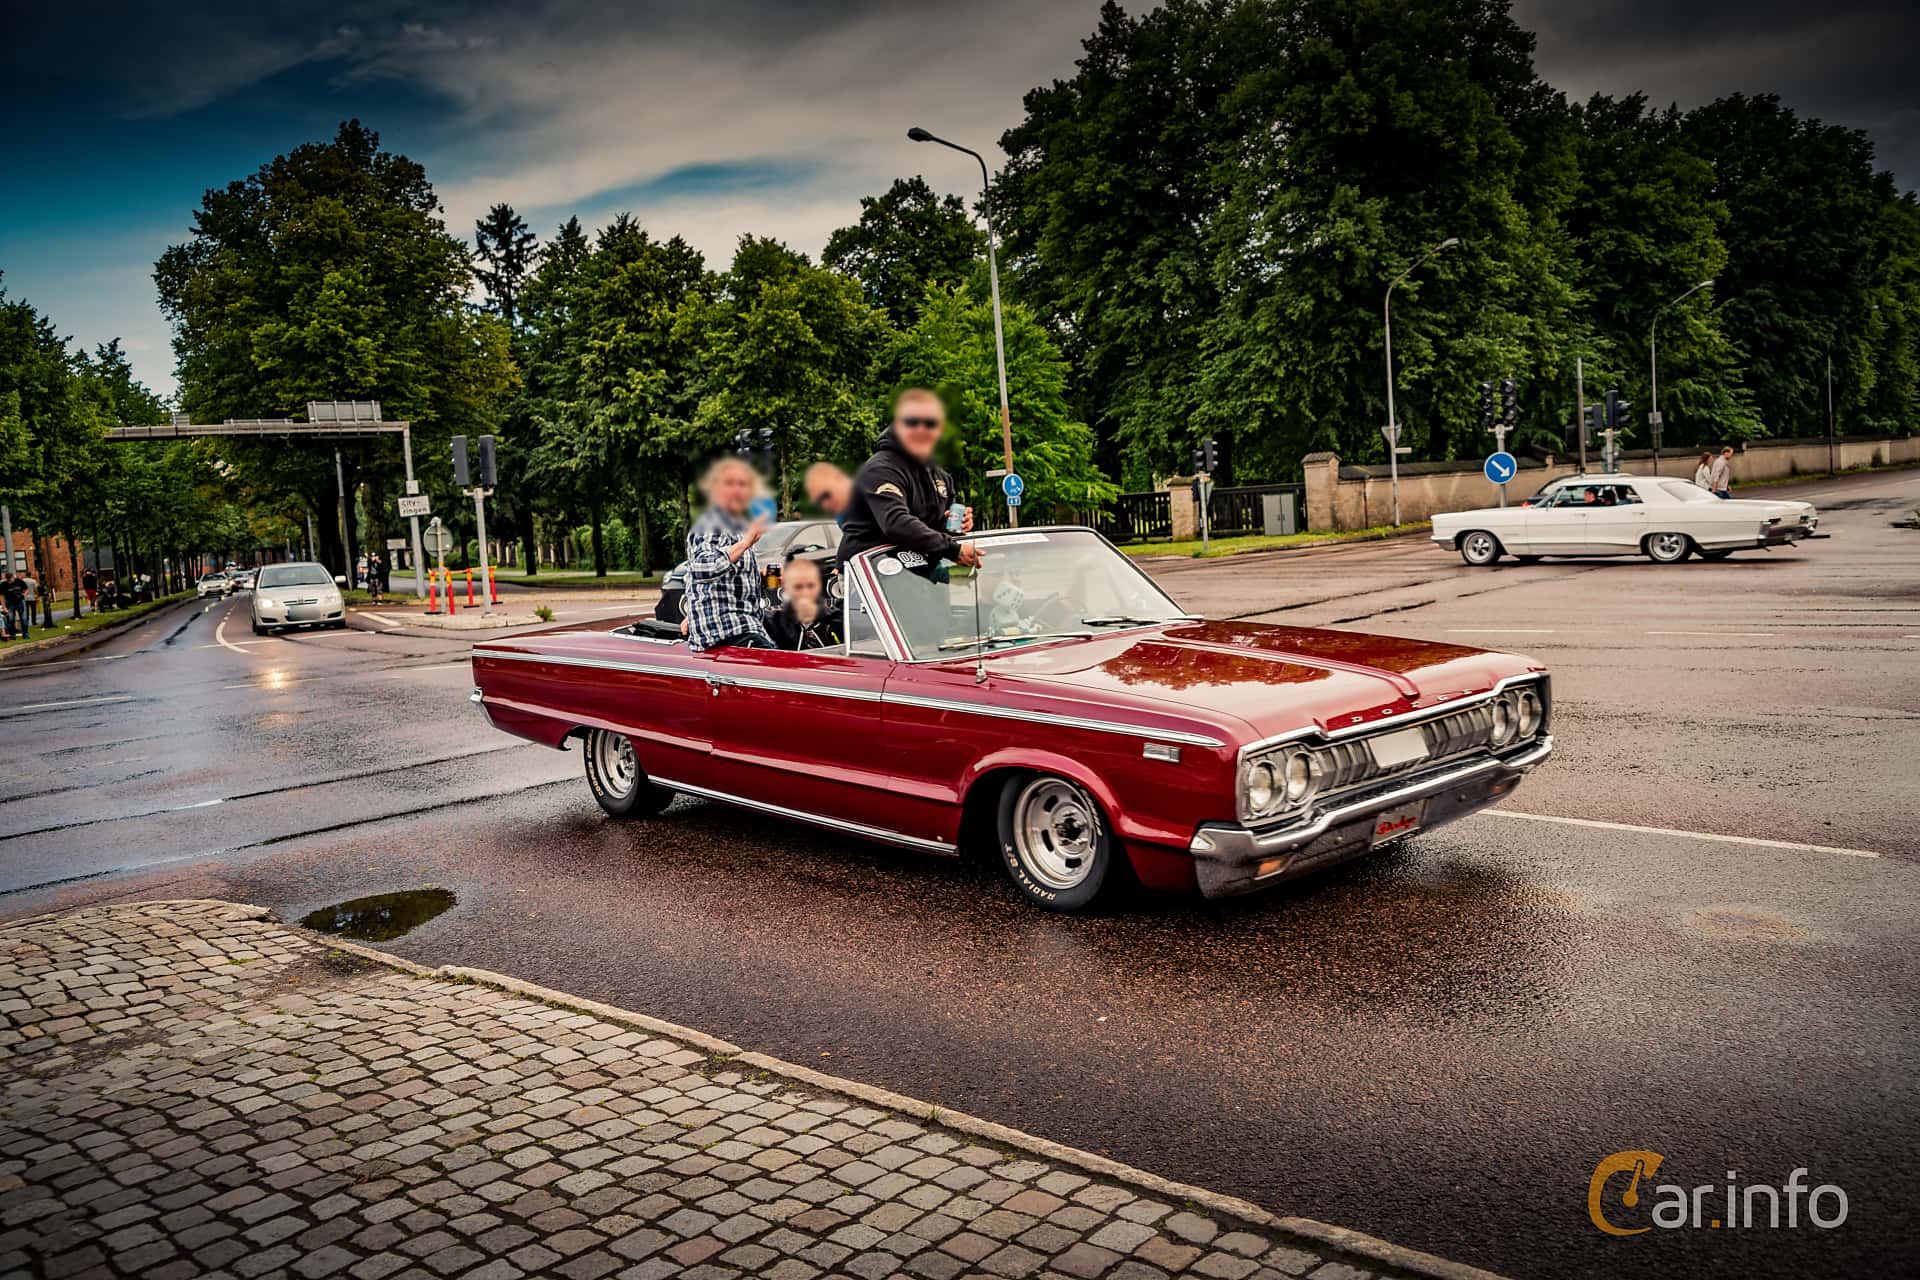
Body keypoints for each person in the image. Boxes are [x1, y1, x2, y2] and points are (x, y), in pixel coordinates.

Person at [839, 389, 981, 573]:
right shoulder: (880, 469)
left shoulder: (941, 475)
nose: (921, 429)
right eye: (912, 422)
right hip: (871, 574)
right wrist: (953, 550)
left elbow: (936, 530)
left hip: (919, 574)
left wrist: (959, 525)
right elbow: (896, 523)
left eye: (930, 423)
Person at [684, 456, 774, 652]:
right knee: (780, 671)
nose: (737, 490)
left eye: (743, 485)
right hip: (724, 630)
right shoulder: (711, 524)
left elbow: (731, 579)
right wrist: (744, 544)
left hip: (745, 625)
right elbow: (701, 568)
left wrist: (762, 577)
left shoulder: (738, 527)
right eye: (730, 484)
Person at [767, 556, 842, 651]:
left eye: (810, 586)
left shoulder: (838, 616)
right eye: (798, 587)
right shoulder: (776, 623)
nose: (805, 592)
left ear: (818, 586)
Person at [3, 571, 29, 640]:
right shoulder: (4, 584)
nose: (9, 582)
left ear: (13, 577)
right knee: (11, 620)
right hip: (10, 604)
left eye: (10, 580)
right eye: (8, 580)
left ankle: (25, 634)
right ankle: (12, 635)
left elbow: (26, 589)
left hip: (20, 602)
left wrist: (24, 595)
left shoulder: (19, 581)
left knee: (23, 619)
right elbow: (1, 596)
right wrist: (4, 606)